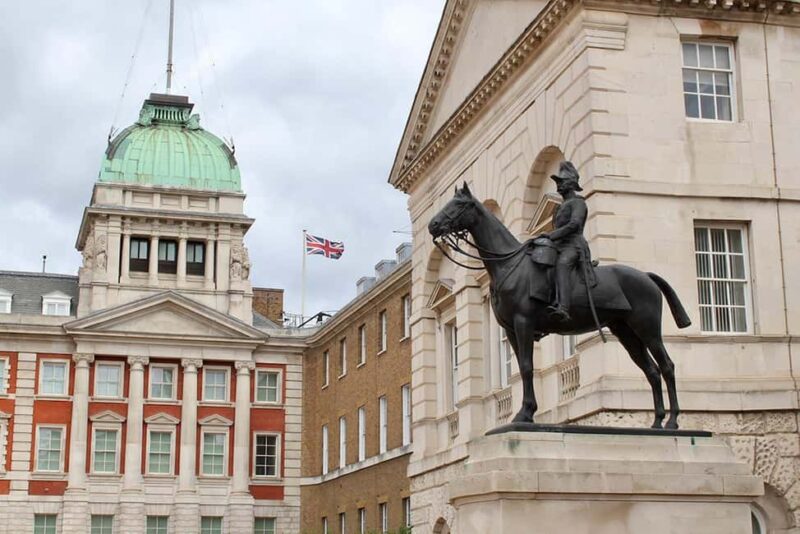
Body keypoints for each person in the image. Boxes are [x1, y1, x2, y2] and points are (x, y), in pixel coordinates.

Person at [538, 161, 589, 322]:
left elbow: (575, 225)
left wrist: (551, 236)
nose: (558, 186)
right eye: (557, 182)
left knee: (562, 264)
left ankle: (564, 307)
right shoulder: (560, 207)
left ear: (571, 184)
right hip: (559, 246)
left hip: (574, 246)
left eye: (562, 182)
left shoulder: (578, 203)